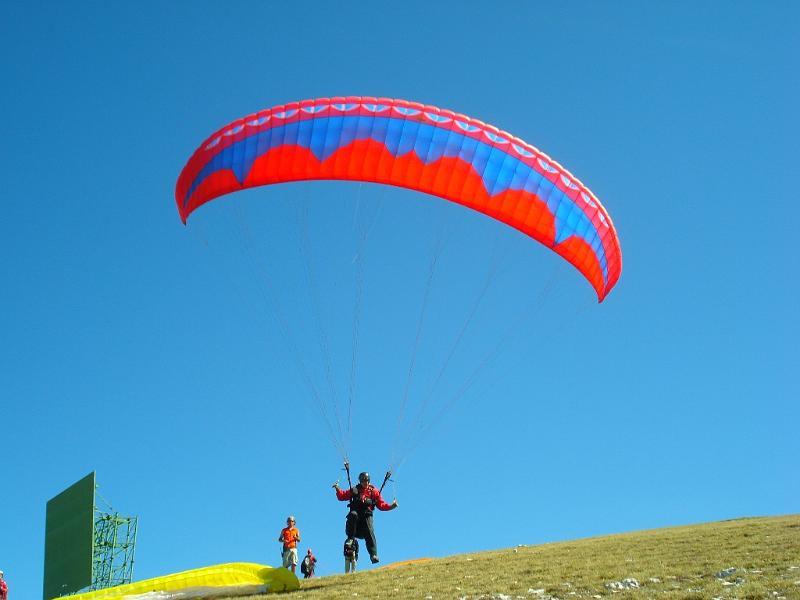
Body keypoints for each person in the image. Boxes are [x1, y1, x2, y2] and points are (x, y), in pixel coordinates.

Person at [333, 471, 398, 564]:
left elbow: (381, 505)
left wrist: (391, 506)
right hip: (355, 522)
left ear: (369, 480)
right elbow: (342, 496)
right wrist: (337, 488)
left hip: (366, 519)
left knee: (369, 529)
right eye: (363, 480)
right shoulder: (355, 490)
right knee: (353, 514)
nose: (365, 482)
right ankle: (350, 539)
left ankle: (373, 554)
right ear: (360, 481)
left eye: (366, 480)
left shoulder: (374, 492)